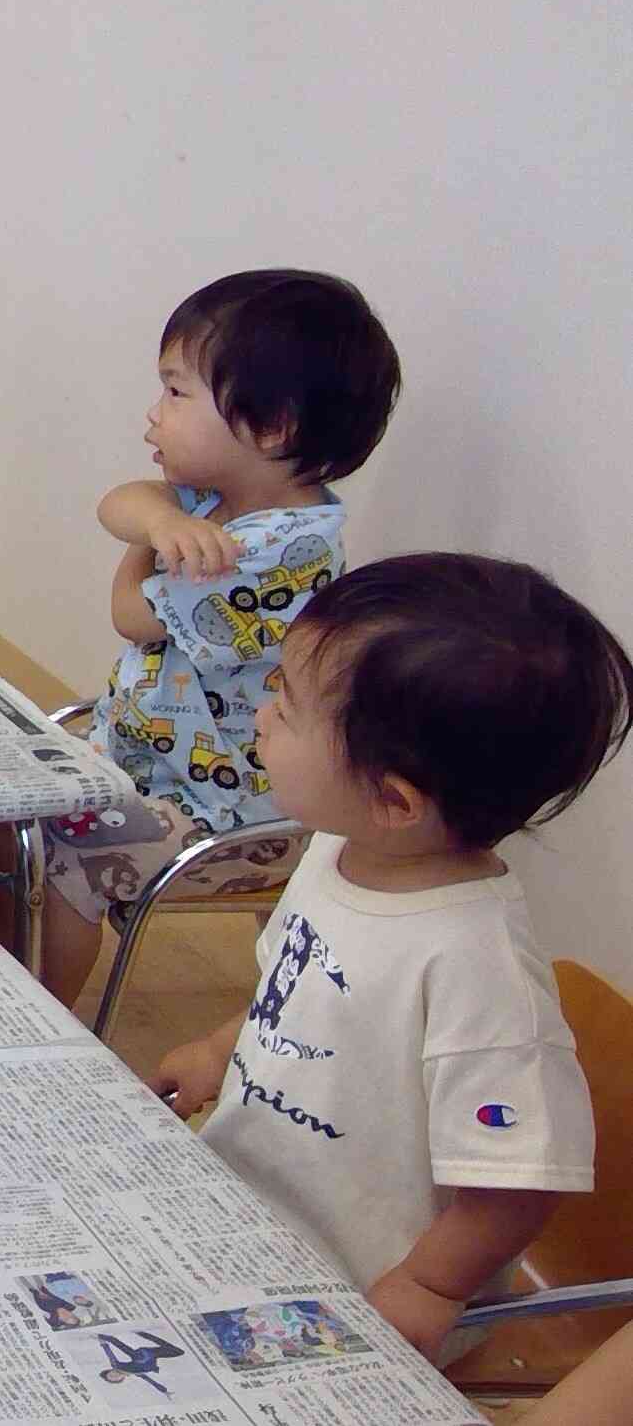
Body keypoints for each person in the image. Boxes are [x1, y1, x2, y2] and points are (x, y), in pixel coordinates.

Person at [143, 554, 626, 1362]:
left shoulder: (479, 967)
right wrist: (220, 1047)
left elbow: (521, 1179)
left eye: (287, 706)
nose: (261, 714)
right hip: (244, 1211)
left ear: (394, 800)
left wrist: (432, 1287)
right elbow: (292, 986)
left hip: (352, 1291)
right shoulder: (340, 847)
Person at [0, 269, 402, 1005]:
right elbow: (120, 502)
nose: (151, 416)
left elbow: (130, 612)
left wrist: (155, 533)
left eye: (175, 392)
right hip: (139, 755)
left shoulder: (276, 548)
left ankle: (37, 1015)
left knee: (66, 854)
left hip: (219, 806)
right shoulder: (221, 502)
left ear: (270, 427)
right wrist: (161, 522)